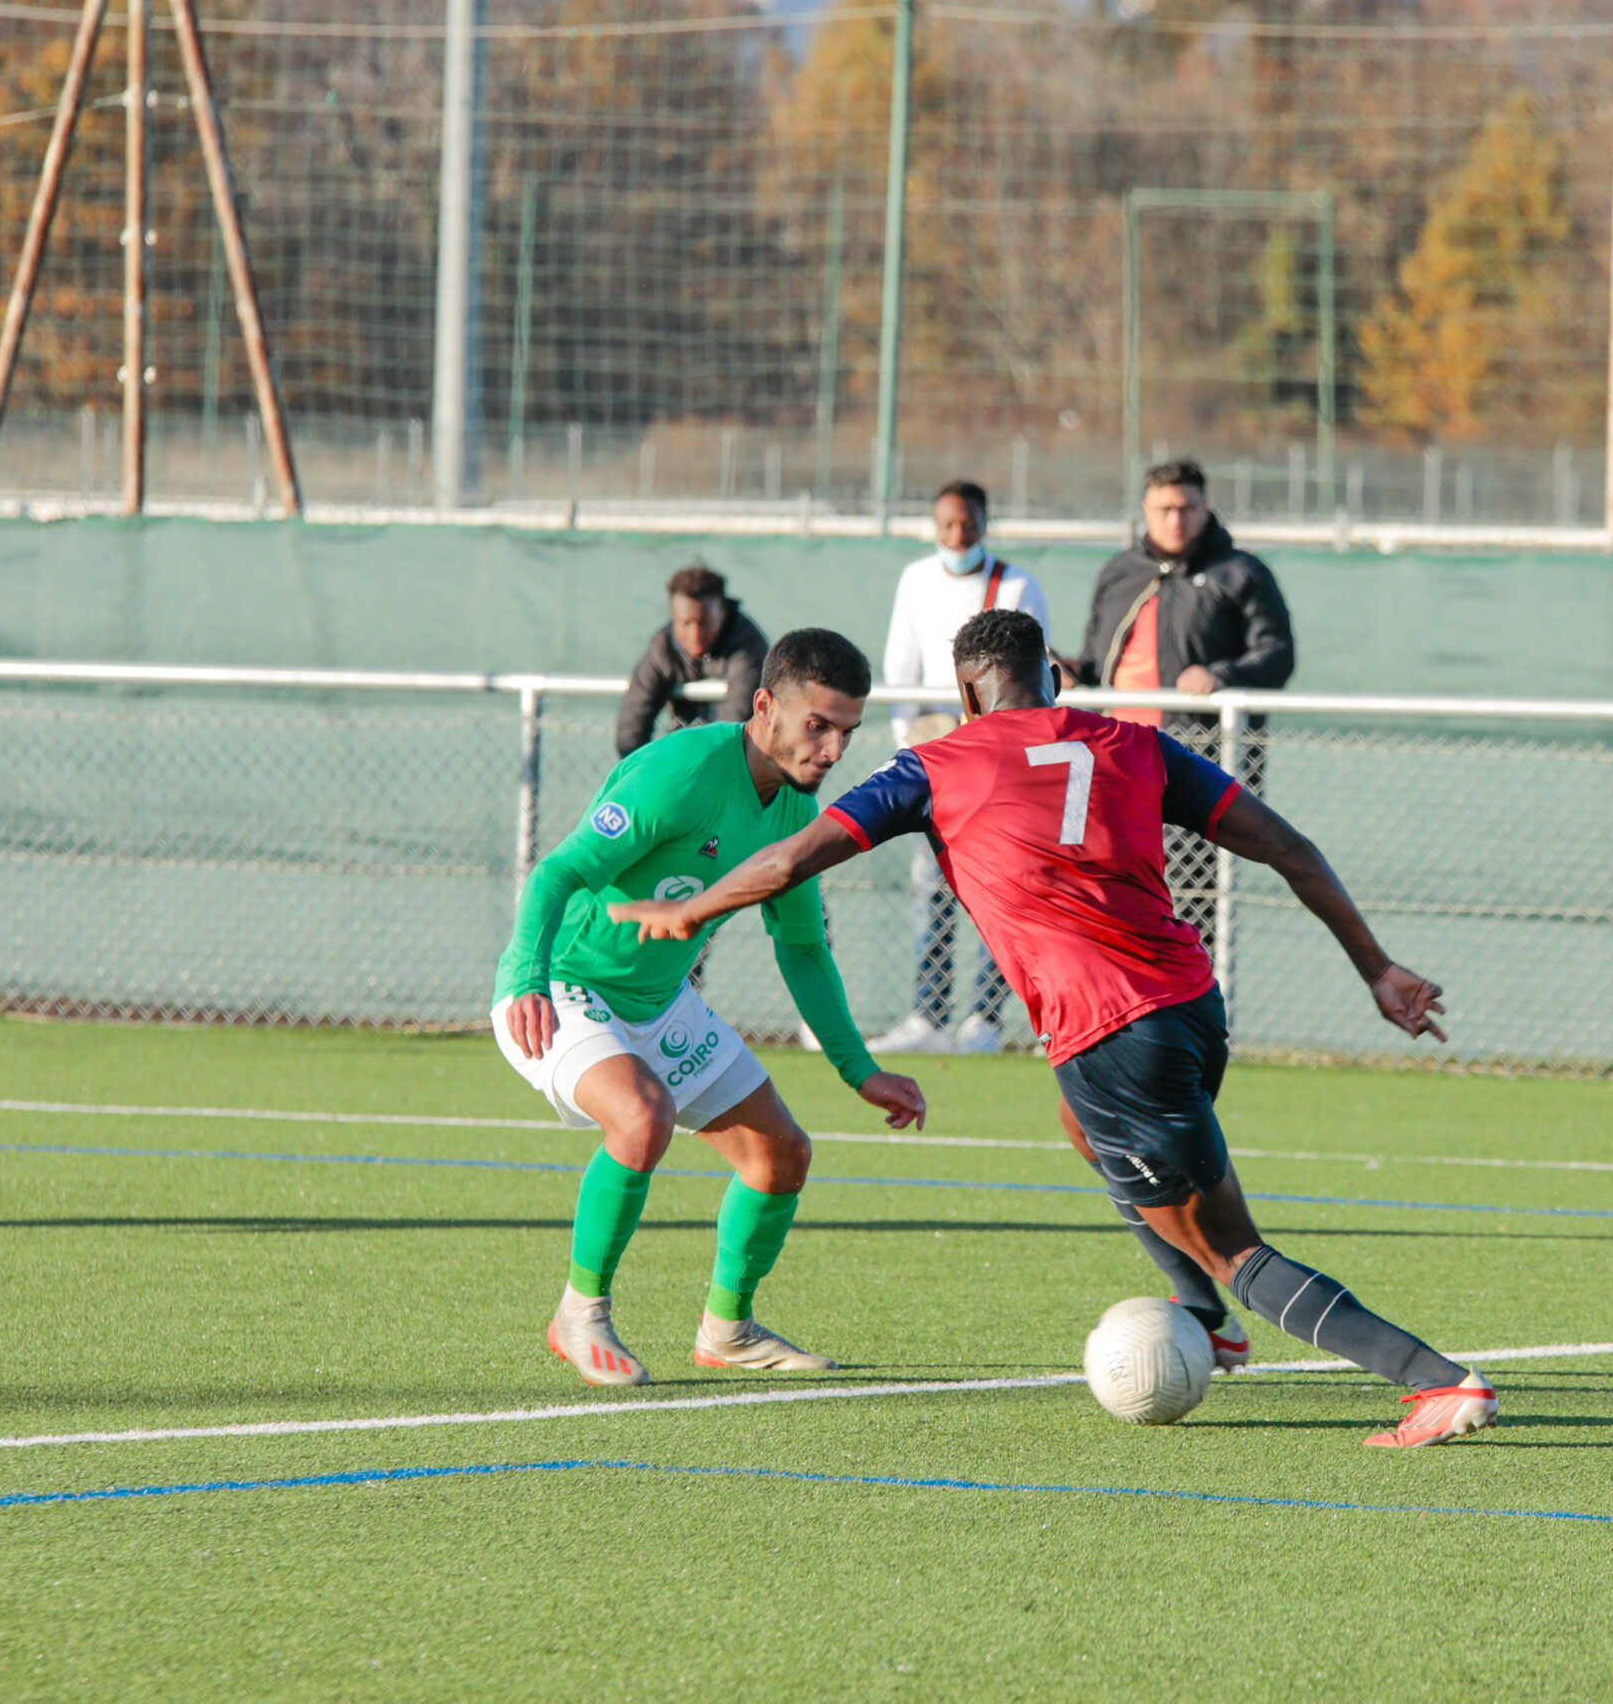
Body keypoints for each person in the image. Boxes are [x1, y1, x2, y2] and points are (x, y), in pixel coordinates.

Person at [614, 609, 1496, 1450]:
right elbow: (1288, 846)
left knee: (1231, 1246)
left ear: (966, 696)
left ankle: (1433, 1378)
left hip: (1112, 1038)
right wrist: (1377, 968)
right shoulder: (1140, 746)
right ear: (1060, 678)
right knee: (1083, 1131)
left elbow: (791, 859)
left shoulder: (936, 765)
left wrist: (694, 913)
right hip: (1193, 1008)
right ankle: (1204, 1322)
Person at [496, 627, 928, 1387]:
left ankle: (727, 1330)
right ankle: (580, 1314)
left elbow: (801, 948)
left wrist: (860, 1071)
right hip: (565, 983)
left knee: (781, 1155)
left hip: (661, 1000)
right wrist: (528, 973)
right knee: (640, 1115)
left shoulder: (797, 810)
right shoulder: (682, 770)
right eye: (816, 727)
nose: (831, 751)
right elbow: (557, 873)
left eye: (846, 734)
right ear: (764, 706)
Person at [1069, 460, 1294, 964]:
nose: (1176, 519)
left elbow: (1277, 654)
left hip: (1194, 763)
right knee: (1108, 889)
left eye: (1187, 508)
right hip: (1113, 762)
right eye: (1165, 509)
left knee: (1191, 898)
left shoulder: (1241, 573)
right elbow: (1095, 661)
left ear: (1205, 508)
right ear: (1146, 511)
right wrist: (1066, 670)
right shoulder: (1120, 572)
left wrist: (1221, 675)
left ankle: (1196, 1009)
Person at [870, 479, 1051, 1055]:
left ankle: (987, 1018)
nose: (957, 536)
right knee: (935, 886)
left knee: (1004, 886)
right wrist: (918, 740)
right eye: (947, 525)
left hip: (1004, 766)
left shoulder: (1017, 584)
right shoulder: (916, 579)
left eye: (968, 525)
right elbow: (899, 666)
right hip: (944, 764)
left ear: (985, 523)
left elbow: (1032, 675)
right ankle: (928, 1013)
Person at [615, 564, 769, 758]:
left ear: (722, 612)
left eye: (705, 623)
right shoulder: (663, 648)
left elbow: (738, 726)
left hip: (736, 766)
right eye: (685, 623)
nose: (695, 635)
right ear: (673, 617)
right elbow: (631, 731)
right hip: (684, 761)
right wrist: (649, 776)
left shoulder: (747, 644)